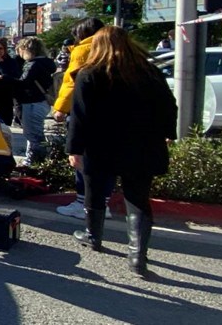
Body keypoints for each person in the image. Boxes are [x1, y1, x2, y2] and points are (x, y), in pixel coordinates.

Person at [68, 26, 177, 278]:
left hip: (101, 145)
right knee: (138, 199)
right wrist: (168, 133)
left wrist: (74, 149)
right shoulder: (148, 72)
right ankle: (138, 257)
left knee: (94, 192)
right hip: (142, 144)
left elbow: (80, 117)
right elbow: (168, 105)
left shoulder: (89, 73)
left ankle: (93, 236)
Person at [52, 17, 109, 219]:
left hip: (85, 111)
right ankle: (103, 203)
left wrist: (60, 108)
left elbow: (71, 83)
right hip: (111, 115)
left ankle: (82, 202)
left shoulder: (83, 50)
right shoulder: (112, 49)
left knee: (81, 158)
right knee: (104, 162)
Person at [7, 37, 56, 165]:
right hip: (42, 101)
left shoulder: (33, 64)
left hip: (32, 102)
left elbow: (24, 82)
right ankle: (36, 160)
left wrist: (4, 78)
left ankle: (35, 161)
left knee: (33, 135)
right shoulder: (47, 63)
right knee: (36, 132)